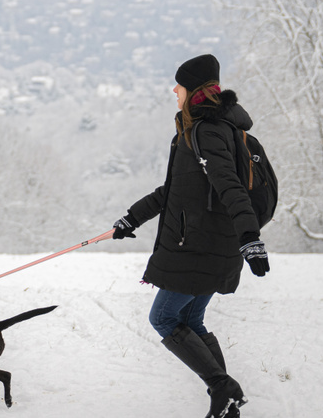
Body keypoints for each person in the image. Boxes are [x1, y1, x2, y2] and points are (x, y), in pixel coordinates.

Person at [109, 53, 267, 418]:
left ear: (193, 90)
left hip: (199, 247)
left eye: (178, 86)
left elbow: (230, 188)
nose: (174, 92)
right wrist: (131, 219)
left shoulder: (207, 132)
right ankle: (227, 402)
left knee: (163, 318)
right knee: (190, 321)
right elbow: (174, 191)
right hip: (211, 246)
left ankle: (222, 388)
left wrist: (251, 238)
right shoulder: (204, 131)